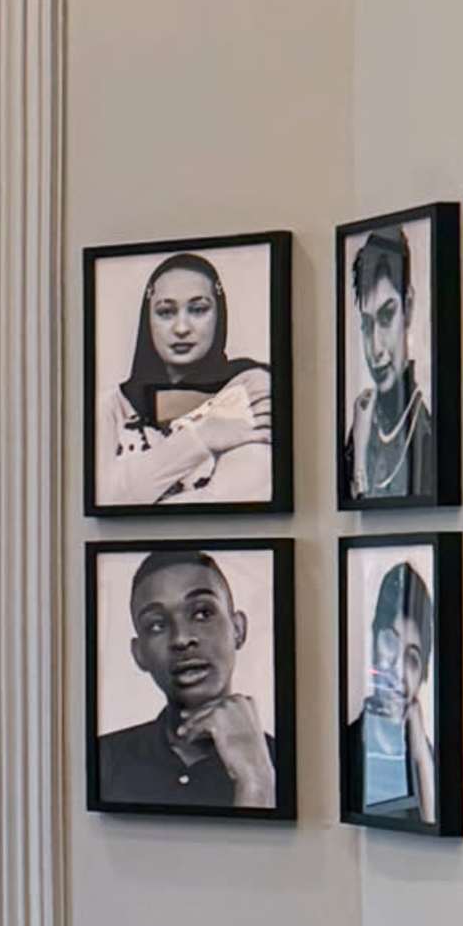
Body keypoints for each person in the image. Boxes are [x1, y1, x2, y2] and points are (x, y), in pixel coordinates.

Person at [97, 544, 278, 809]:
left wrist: (256, 782)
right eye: (157, 625)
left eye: (202, 613)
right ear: (139, 654)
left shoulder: (289, 762)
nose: (181, 639)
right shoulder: (101, 759)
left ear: (238, 629)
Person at [100, 250, 275, 507]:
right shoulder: (111, 405)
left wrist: (136, 486)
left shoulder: (250, 388)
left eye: (198, 309)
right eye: (166, 312)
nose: (182, 328)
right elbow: (104, 500)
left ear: (219, 315)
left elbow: (233, 499)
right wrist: (200, 437)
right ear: (147, 319)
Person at [342, 224, 437, 507]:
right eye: (367, 325)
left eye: (386, 317)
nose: (376, 348)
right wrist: (359, 447)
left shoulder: (426, 430)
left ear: (408, 307)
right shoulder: (360, 428)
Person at [356, 556, 438, 824]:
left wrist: (421, 757)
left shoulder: (430, 757)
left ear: (423, 673)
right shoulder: (347, 742)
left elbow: (437, 828)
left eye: (412, 659)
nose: (396, 668)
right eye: (389, 642)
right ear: (374, 640)